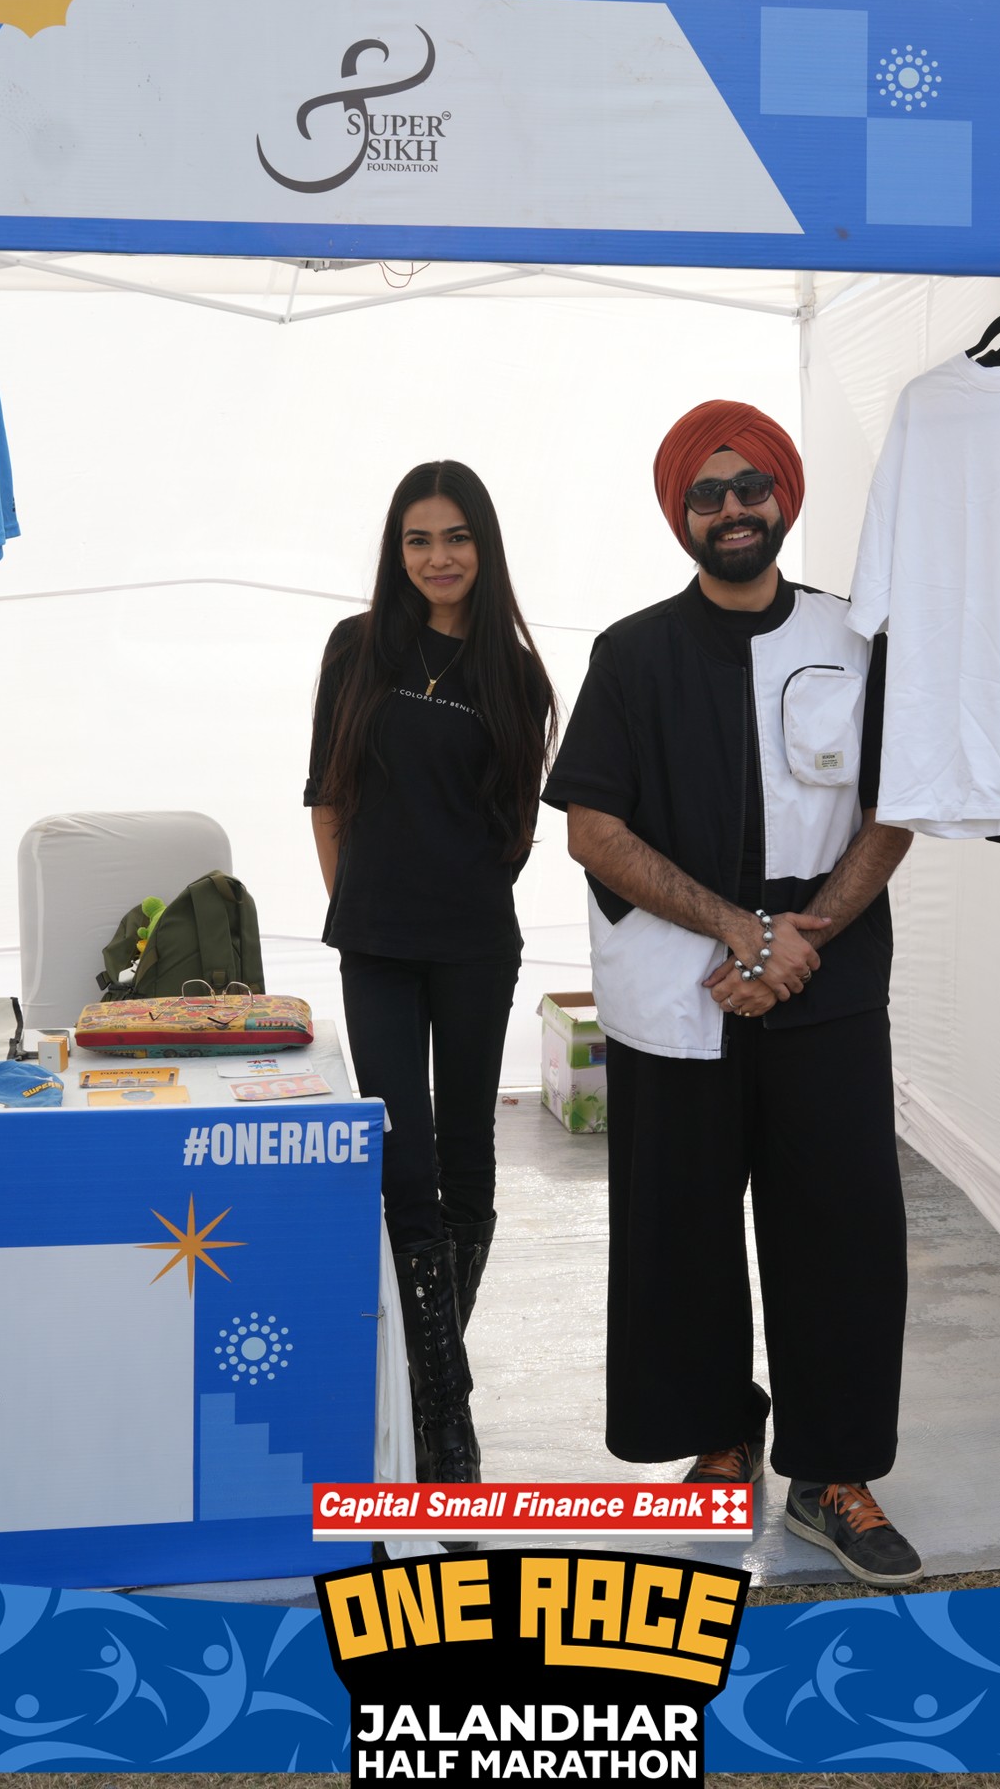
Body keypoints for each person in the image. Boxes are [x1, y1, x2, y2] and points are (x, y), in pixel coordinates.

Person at [544, 399, 923, 1586]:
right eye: (705, 493)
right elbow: (593, 828)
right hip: (677, 982)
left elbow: (896, 804)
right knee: (683, 1230)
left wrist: (800, 939)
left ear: (783, 496)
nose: (731, 509)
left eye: (748, 485)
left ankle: (832, 1472)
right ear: (680, 514)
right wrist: (739, 929)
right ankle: (720, 1433)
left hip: (827, 974)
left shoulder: (856, 636)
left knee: (841, 1231)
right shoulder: (632, 654)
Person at [308, 461, 556, 1487]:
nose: (438, 556)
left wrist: (451, 899)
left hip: (473, 945)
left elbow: (517, 827)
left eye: (456, 537)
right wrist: (365, 903)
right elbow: (327, 798)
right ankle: (445, 1407)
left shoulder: (516, 676)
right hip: (376, 945)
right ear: (396, 549)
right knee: (402, 1161)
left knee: (469, 1161)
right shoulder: (356, 648)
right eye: (419, 538)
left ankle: (428, 1390)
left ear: (483, 547)